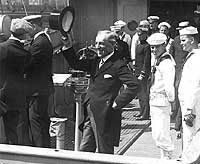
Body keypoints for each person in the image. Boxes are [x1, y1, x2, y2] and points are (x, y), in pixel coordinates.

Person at [61, 30, 139, 154]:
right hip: (90, 111)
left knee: (104, 150)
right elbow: (76, 64)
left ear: (112, 45)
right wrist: (67, 46)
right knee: (85, 150)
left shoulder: (118, 65)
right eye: (96, 43)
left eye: (101, 44)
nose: (97, 47)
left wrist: (117, 103)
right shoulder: (96, 61)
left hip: (105, 114)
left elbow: (134, 85)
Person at [22, 15, 54, 147]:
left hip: (37, 91)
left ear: (34, 27)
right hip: (41, 89)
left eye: (27, 29)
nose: (25, 33)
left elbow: (26, 65)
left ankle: (40, 153)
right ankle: (45, 150)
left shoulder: (39, 43)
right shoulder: (43, 39)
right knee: (41, 121)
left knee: (36, 123)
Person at [0, 18, 33, 144]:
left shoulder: (2, 47)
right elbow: (28, 68)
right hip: (14, 99)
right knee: (13, 133)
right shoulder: (24, 53)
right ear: (24, 35)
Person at [147, 33, 175, 159]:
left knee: (162, 134)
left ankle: (167, 158)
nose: (153, 50)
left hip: (162, 101)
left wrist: (171, 100)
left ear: (164, 45)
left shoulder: (167, 62)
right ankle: (163, 157)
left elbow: (169, 86)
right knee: (157, 133)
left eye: (156, 47)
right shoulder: (158, 60)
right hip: (154, 101)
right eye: (152, 47)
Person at [178, 26, 200, 156]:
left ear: (192, 40)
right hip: (188, 103)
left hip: (192, 105)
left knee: (190, 136)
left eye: (183, 40)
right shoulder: (192, 56)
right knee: (188, 135)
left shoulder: (196, 58)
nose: (181, 43)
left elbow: (195, 85)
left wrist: (190, 109)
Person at [169, 21, 190, 120]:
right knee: (177, 88)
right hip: (177, 69)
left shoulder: (191, 41)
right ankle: (176, 111)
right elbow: (171, 55)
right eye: (180, 29)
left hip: (188, 67)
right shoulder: (176, 40)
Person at [133, 21, 151, 120]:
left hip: (142, 73)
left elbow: (146, 61)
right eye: (139, 35)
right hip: (137, 71)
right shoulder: (139, 45)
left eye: (141, 35)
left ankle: (145, 114)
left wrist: (143, 73)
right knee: (140, 94)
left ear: (145, 35)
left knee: (144, 94)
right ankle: (141, 111)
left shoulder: (147, 46)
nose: (140, 36)